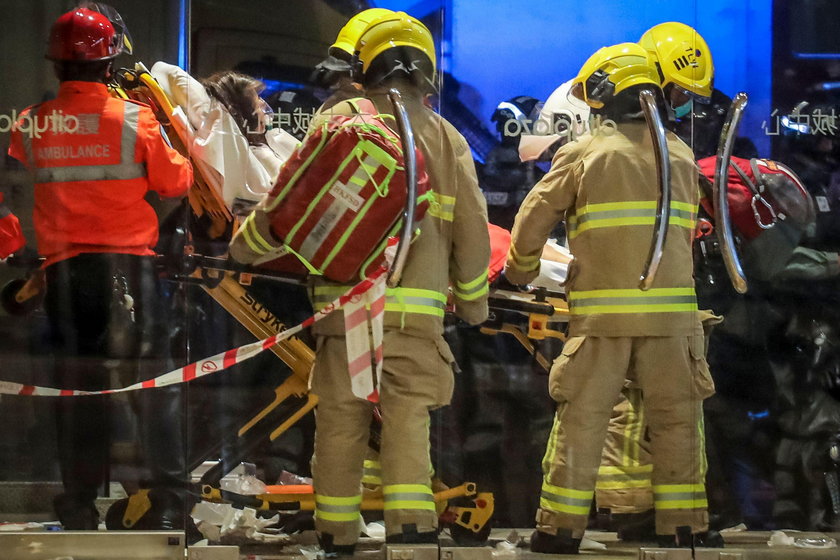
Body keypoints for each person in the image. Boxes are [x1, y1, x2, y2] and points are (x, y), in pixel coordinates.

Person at [231, 12, 490, 554]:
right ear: (428, 72)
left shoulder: (340, 118)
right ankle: (413, 531)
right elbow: (471, 231)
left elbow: (290, 201)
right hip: (415, 317)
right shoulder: (448, 139)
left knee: (341, 424)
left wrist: (244, 247)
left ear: (364, 66)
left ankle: (337, 534)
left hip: (344, 312)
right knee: (406, 421)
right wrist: (472, 306)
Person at [505, 43, 718, 553]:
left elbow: (533, 220)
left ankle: (559, 530)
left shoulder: (584, 154)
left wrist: (521, 271)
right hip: (673, 324)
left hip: (602, 322)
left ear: (603, 94)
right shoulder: (682, 156)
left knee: (582, 420)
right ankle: (683, 526)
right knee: (676, 422)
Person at [7, 6, 193, 530]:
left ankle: (80, 504)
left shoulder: (32, 124)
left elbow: (17, 192)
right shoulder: (134, 118)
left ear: (56, 66)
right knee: (154, 386)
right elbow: (177, 183)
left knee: (78, 392)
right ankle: (168, 498)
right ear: (110, 62)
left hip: (65, 275)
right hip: (129, 272)